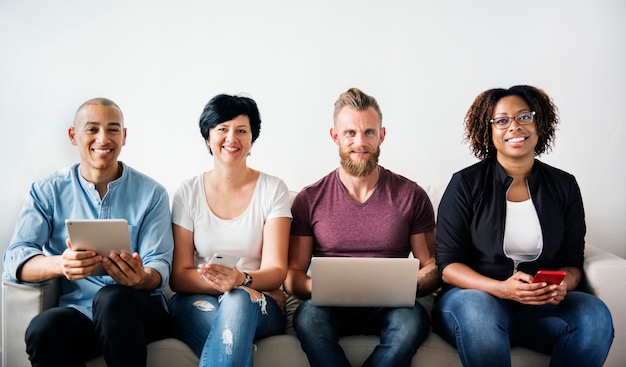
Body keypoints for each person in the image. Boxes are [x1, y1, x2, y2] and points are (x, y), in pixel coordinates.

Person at [432, 85, 614, 367]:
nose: (514, 127)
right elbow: (448, 264)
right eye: (502, 120)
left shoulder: (564, 185)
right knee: (478, 310)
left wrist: (562, 284)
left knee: (594, 314)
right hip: (474, 300)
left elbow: (572, 261)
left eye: (524, 117)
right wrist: (500, 288)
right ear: (488, 130)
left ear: (539, 122)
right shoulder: (465, 184)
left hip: (539, 306)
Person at [3, 98, 174, 367]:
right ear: (73, 136)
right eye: (92, 129)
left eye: (113, 129)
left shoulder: (152, 194)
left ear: (124, 136)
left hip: (138, 313)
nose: (103, 139)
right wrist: (60, 264)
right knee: (43, 328)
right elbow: (15, 259)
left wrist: (141, 278)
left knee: (112, 299)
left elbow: (159, 267)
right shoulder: (47, 192)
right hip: (82, 314)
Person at [284, 87, 441, 367]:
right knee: (308, 317)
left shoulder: (411, 195)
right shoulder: (310, 199)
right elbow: (293, 275)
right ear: (335, 137)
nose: (360, 142)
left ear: (381, 135)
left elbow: (430, 265)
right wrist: (321, 287)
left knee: (413, 320)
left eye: (369, 132)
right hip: (330, 305)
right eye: (350, 133)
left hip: (390, 306)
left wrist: (409, 284)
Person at [168, 94, 292, 367]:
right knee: (232, 340)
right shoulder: (188, 192)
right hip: (196, 301)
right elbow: (179, 277)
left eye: (241, 130)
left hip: (256, 299)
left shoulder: (273, 190)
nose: (231, 138)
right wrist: (221, 283)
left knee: (236, 302)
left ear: (252, 138)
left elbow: (276, 271)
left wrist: (240, 280)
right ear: (208, 136)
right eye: (222, 129)